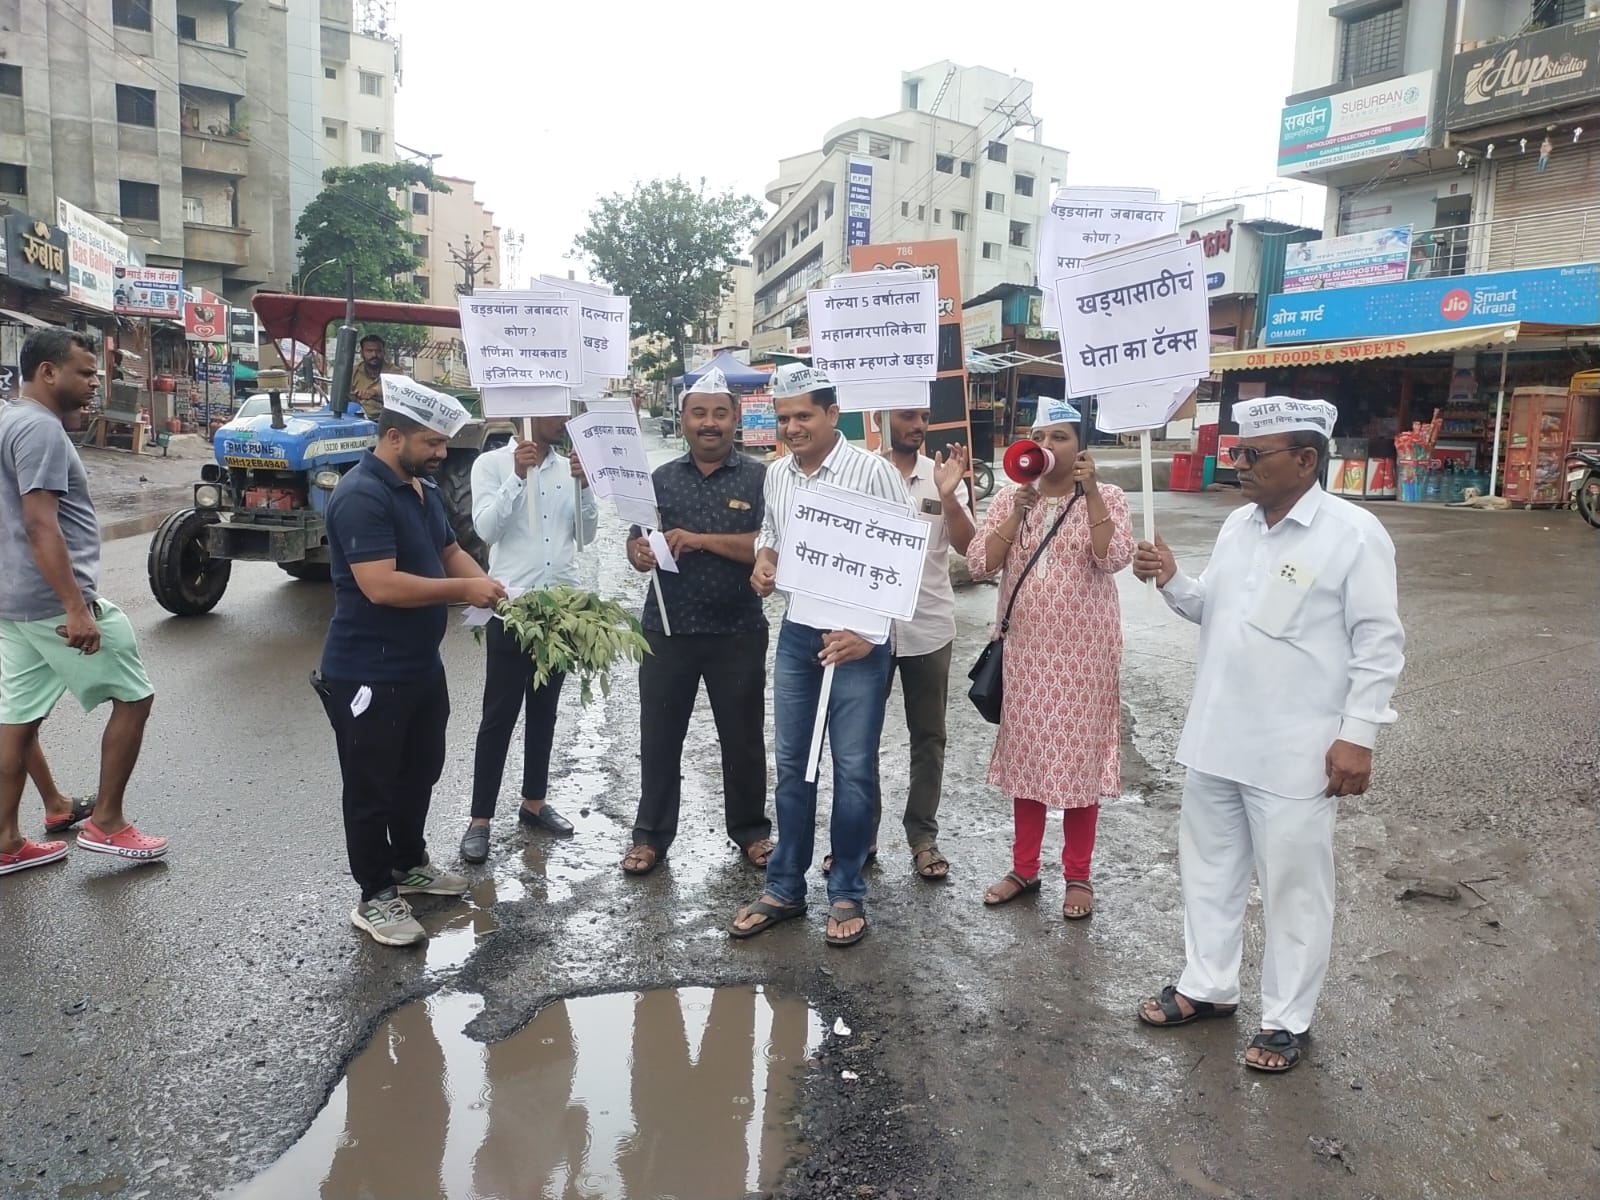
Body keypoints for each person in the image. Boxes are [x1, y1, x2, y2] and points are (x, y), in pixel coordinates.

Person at [1132, 396, 1405, 1074]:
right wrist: (1171, 579)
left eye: (1256, 455)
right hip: (1219, 734)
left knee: (1294, 887)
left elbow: (1379, 643)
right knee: (1210, 870)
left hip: (1296, 747)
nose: (1241, 466)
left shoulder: (1353, 534)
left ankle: (1287, 1019)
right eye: (1238, 453)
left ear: (1306, 460)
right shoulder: (1237, 528)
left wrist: (1359, 733)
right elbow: (1215, 610)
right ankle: (1208, 984)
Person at [315, 375, 506, 946]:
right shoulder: (361, 494)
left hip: (419, 665)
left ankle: (409, 862)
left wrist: (497, 592)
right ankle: (375, 895)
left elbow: (450, 552)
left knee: (420, 770)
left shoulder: (422, 489)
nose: (442, 453)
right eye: (433, 444)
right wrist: (462, 594)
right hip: (366, 671)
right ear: (394, 437)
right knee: (372, 784)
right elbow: (380, 586)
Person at [731, 362, 911, 948]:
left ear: (834, 415)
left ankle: (846, 891)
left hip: (859, 641)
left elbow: (902, 564)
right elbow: (772, 537)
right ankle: (784, 887)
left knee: (853, 770)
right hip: (799, 635)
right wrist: (764, 561)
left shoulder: (873, 472)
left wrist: (872, 635)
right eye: (784, 418)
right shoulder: (777, 475)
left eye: (804, 415)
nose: (793, 427)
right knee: (793, 765)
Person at [0, 328, 167, 875]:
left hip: (13, 599)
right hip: (52, 600)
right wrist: (76, 607)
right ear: (48, 372)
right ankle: (108, 823)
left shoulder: (7, 418)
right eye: (86, 373)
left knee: (17, 719)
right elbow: (39, 522)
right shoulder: (41, 430)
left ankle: (5, 840)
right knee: (134, 695)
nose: (97, 383)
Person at [966, 399, 1134, 919]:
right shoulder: (1015, 500)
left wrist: (1089, 494)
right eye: (1039, 435)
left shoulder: (1106, 497)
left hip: (1086, 657)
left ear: (1080, 447)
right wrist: (1015, 513)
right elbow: (978, 564)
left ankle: (1078, 876)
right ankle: (1025, 867)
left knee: (1082, 762)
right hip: (1026, 654)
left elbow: (1114, 558)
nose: (1047, 446)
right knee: (1028, 759)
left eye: (1059, 436)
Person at [620, 369, 772, 876]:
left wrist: (701, 539)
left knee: (743, 738)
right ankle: (651, 836)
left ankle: (752, 831)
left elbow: (769, 546)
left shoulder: (760, 478)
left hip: (738, 631)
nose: (710, 423)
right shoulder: (658, 480)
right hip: (668, 630)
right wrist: (638, 552)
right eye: (699, 413)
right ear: (683, 420)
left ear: (735, 420)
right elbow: (636, 541)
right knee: (659, 738)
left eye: (720, 413)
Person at [834, 408, 973, 881]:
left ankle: (922, 837)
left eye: (925, 418)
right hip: (866, 632)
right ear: (880, 417)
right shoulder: (858, 473)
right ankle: (860, 836)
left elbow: (970, 548)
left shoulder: (941, 478)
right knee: (859, 739)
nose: (919, 426)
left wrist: (952, 498)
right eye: (908, 416)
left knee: (928, 737)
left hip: (928, 627)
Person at [460, 412, 599, 864]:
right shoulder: (492, 465)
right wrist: (517, 476)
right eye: (558, 413)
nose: (566, 421)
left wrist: (584, 486)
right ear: (533, 413)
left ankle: (534, 803)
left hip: (560, 609)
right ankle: (480, 820)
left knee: (545, 711)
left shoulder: (568, 467)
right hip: (511, 607)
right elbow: (485, 531)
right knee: (498, 715)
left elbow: (586, 535)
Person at [348, 334, 390, 419]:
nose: (374, 354)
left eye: (378, 351)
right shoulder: (352, 372)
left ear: (384, 352)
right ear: (362, 353)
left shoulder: (394, 371)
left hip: (385, 421)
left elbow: (394, 386)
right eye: (369, 351)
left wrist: (373, 392)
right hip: (356, 418)